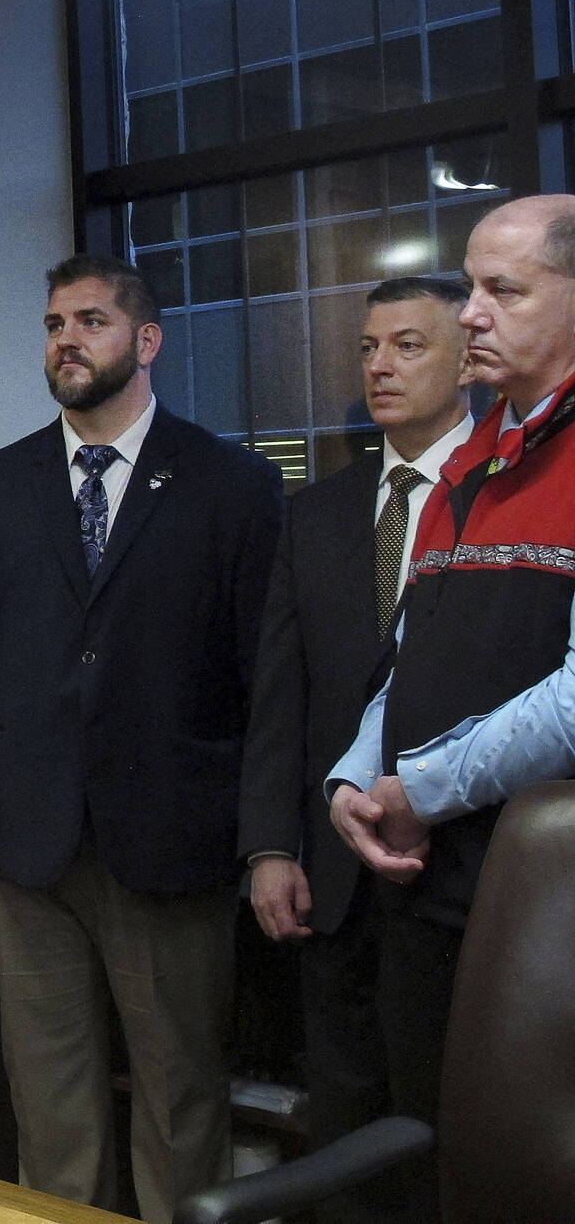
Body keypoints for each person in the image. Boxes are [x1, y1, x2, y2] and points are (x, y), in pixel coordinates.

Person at [0, 254, 283, 1223]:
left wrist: (261, 834)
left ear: (145, 341)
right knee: (49, 1097)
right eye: (50, 324)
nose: (63, 340)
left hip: (172, 835)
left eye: (88, 321)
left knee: (178, 1095)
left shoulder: (230, 482)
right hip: (22, 840)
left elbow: (266, 679)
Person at [325, 196, 575, 1219]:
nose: (469, 312)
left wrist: (417, 784)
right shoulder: (468, 459)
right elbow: (406, 656)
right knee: (422, 1154)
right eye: (468, 286)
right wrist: (351, 772)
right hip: (421, 882)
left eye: (501, 290)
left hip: (545, 899)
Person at [236, 276, 471, 1224]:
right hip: (329, 876)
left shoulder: (497, 500)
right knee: (341, 1128)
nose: (379, 365)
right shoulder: (318, 513)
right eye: (370, 347)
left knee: (446, 1121)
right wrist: (270, 848)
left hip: (455, 862)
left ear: (469, 358)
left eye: (409, 346)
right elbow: (280, 696)